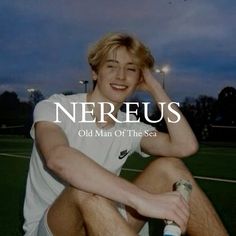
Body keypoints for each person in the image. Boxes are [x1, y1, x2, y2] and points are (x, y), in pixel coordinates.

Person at [23, 32, 228, 236]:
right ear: (95, 72)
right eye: (111, 66)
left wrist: (155, 88)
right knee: (83, 188)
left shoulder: (130, 125)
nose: (121, 76)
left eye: (131, 69)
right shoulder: (55, 106)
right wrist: (143, 200)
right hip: (55, 226)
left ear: (139, 78)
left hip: (105, 216)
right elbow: (58, 157)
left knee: (169, 167)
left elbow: (185, 146)